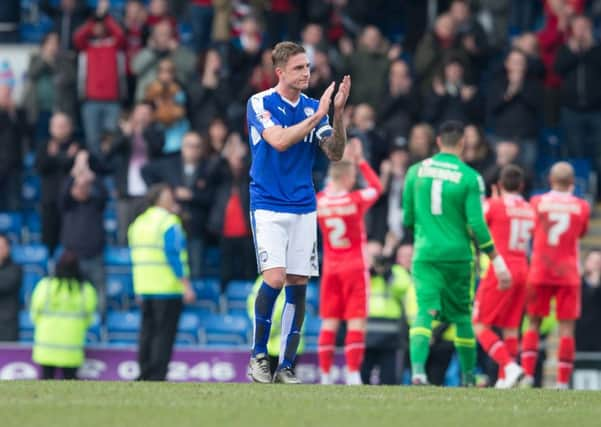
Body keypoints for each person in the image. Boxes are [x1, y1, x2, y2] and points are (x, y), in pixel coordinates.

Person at [246, 41, 350, 384]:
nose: (306, 73)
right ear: (280, 72)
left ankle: (286, 366)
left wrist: (337, 113)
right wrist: (319, 115)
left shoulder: (311, 107)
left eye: (307, 67)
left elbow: (334, 153)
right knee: (274, 278)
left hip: (304, 205)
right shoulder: (259, 103)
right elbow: (278, 140)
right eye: (299, 68)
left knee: (298, 283)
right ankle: (259, 355)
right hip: (268, 204)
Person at [402, 120, 512, 386]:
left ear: (438, 141)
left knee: (425, 311)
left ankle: (418, 372)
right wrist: (496, 259)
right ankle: (469, 377)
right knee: (462, 316)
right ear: (463, 143)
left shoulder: (415, 171)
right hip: (459, 257)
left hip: (426, 254)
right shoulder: (470, 176)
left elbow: (407, 218)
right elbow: (477, 224)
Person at [316, 140, 383, 385]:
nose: (355, 180)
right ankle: (353, 373)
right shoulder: (354, 200)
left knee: (329, 322)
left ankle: (325, 374)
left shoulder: (319, 201)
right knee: (356, 321)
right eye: (353, 176)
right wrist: (362, 161)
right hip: (354, 266)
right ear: (346, 177)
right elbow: (377, 187)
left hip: (331, 268)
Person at [522, 161, 590, 389]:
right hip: (567, 272)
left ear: (550, 180)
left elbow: (531, 229)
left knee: (533, 323)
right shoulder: (581, 206)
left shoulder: (537, 202)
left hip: (540, 269)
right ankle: (561, 383)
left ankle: (528, 376)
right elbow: (580, 233)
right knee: (567, 328)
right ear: (572, 183)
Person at [472, 165, 535, 388]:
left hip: (501, 269)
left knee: (479, 324)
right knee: (510, 327)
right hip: (523, 268)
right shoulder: (529, 208)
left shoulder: (494, 205)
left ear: (498, 185)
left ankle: (508, 366)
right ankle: (503, 380)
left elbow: (474, 227)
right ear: (521, 186)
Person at [128, 183, 196, 381]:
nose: (173, 198)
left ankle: (144, 371)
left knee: (147, 332)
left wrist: (138, 287)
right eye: (169, 195)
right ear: (161, 199)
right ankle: (157, 375)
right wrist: (185, 285)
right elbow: (173, 254)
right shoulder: (168, 222)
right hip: (167, 287)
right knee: (163, 334)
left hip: (144, 285)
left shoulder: (138, 223)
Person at [142, 131, 218, 280]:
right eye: (190, 146)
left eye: (197, 146)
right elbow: (145, 171)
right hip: (173, 226)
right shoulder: (170, 164)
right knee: (171, 266)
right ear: (182, 147)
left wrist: (192, 195)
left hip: (196, 228)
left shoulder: (208, 168)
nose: (193, 150)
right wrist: (166, 194)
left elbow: (213, 196)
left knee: (195, 271)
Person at [30, 251, 97, 380]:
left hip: (46, 346)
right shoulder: (86, 290)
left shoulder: (45, 286)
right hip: (72, 347)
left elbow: (34, 313)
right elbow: (89, 318)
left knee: (45, 382)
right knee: (70, 384)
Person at [73, 0, 126, 156]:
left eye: (100, 25)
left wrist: (105, 16)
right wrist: (95, 18)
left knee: (112, 139)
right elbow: (77, 36)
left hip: (113, 101)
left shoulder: (114, 44)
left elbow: (120, 34)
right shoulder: (87, 46)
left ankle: (111, 172)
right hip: (91, 101)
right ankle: (96, 173)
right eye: (96, 26)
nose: (98, 28)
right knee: (93, 141)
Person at [60, 151, 108, 315]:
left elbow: (103, 193)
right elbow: (64, 193)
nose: (81, 190)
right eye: (78, 187)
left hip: (94, 257)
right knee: (72, 294)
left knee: (99, 295)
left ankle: (99, 325)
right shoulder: (68, 205)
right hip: (73, 259)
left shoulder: (95, 204)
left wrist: (90, 175)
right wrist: (75, 173)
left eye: (85, 187)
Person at [362, 243, 416, 385]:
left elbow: (403, 288)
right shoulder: (363, 272)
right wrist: (369, 271)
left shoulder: (396, 271)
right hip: (365, 334)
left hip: (391, 337)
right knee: (362, 379)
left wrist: (386, 273)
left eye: (377, 255)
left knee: (390, 380)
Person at [36, 112, 81, 254]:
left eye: (64, 125)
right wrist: (62, 158)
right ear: (51, 128)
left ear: (70, 127)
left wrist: (59, 158)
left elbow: (78, 167)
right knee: (49, 242)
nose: (61, 129)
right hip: (50, 201)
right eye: (57, 126)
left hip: (72, 203)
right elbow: (40, 167)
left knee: (72, 244)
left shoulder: (78, 145)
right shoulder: (44, 146)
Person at [575, 250, 601, 352]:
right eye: (593, 261)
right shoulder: (577, 284)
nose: (595, 265)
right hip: (580, 337)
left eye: (598, 262)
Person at [0, 234, 22, 342]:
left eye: (1, 247)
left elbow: (5, 286)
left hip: (7, 325)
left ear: (8, 249)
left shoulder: (15, 269)